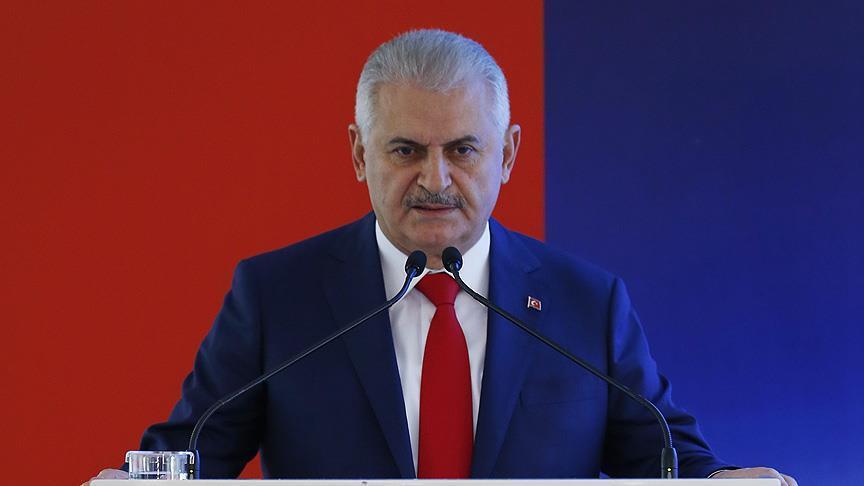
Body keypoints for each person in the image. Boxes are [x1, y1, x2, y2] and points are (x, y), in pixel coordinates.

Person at [85, 29, 797, 485]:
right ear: (359, 154)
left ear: (507, 154)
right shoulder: (277, 295)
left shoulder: (587, 303)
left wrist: (717, 483)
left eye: (462, 150)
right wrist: (136, 480)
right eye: (404, 150)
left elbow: (665, 456)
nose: (435, 179)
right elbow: (193, 450)